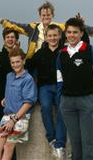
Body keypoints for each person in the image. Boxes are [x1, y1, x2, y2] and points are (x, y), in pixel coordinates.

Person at [57, 18, 93, 160]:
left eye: (75, 32)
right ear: (65, 34)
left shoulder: (91, 50)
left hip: (87, 101)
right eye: (69, 32)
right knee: (75, 143)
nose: (71, 35)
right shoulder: (62, 54)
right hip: (67, 104)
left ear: (81, 33)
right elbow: (59, 80)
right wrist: (61, 99)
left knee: (88, 143)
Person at [0, 1, 93, 59]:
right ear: (40, 15)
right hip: (36, 58)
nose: (46, 17)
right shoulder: (33, 27)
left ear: (52, 15)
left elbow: (74, 28)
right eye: (43, 15)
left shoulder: (59, 27)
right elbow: (16, 26)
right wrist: (2, 21)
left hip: (55, 57)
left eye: (48, 15)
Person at [27, 24, 66, 159]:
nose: (53, 38)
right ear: (46, 36)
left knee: (63, 110)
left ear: (60, 36)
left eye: (55, 35)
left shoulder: (65, 52)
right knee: (45, 107)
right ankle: (52, 139)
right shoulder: (40, 53)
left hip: (61, 87)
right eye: (50, 35)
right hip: (45, 87)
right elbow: (27, 66)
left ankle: (60, 145)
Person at [0, 48, 37, 160]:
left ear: (23, 61)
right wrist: (6, 99)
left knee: (8, 147)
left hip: (20, 118)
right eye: (13, 62)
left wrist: (14, 119)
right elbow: (13, 93)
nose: (15, 64)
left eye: (18, 61)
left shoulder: (28, 79)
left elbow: (28, 102)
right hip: (6, 116)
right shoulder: (9, 76)